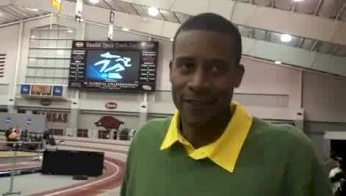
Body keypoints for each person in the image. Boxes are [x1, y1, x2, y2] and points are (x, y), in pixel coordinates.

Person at [121, 13, 332, 196]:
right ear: (171, 71)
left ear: (237, 76)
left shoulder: (291, 152)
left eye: (216, 69)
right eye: (187, 66)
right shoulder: (145, 143)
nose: (198, 83)